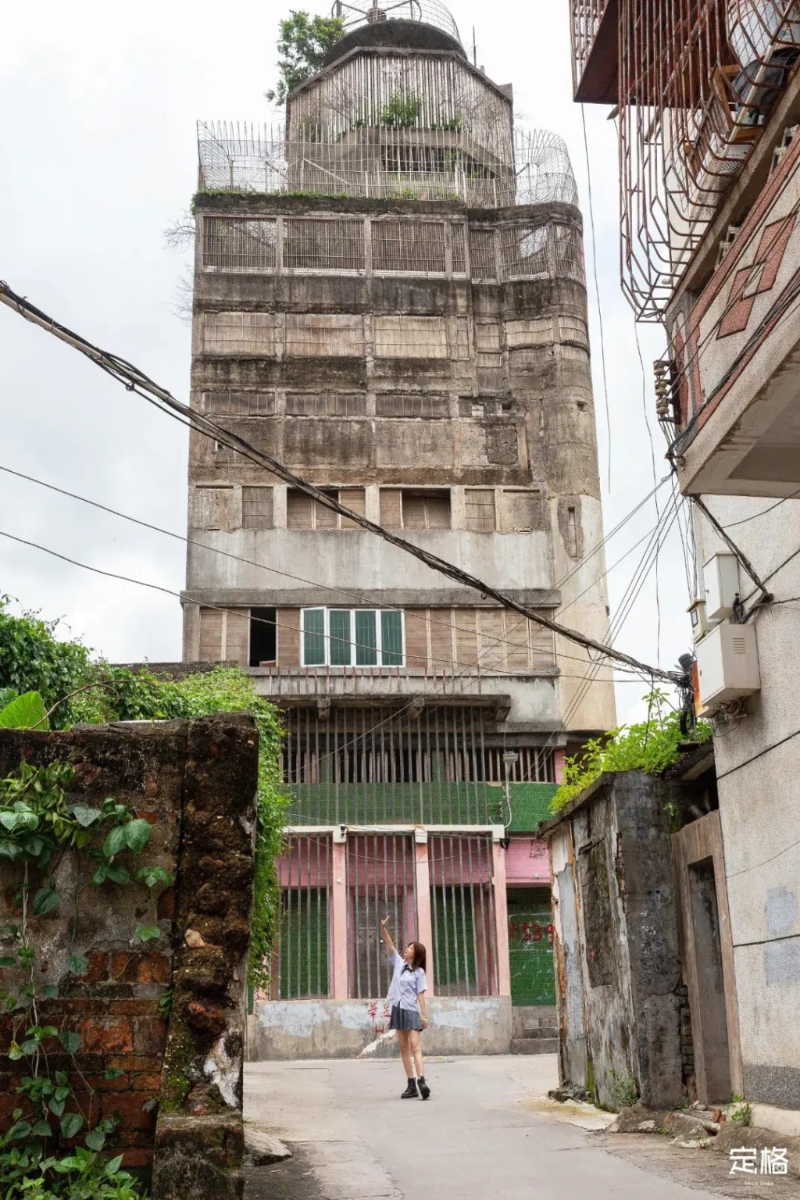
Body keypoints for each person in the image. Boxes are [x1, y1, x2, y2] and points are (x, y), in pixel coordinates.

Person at [380, 914, 431, 1100]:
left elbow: (420, 995)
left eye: (410, 948)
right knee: (403, 1047)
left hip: (411, 1010)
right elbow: (389, 944)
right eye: (408, 947)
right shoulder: (399, 963)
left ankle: (422, 1081)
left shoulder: (419, 972)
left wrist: (424, 1016)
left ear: (416, 954)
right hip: (398, 1008)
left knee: (415, 1047)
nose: (407, 949)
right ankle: (411, 1084)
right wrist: (383, 929)